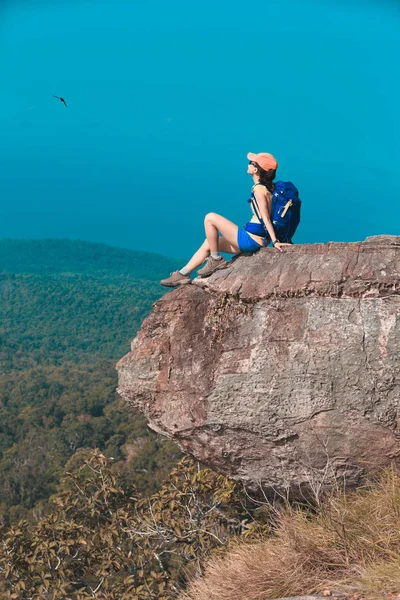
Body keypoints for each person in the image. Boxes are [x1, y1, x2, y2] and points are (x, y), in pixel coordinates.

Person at [160, 152, 291, 287]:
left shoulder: (258, 190)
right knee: (209, 243)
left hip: (250, 240)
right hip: (254, 238)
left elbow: (265, 217)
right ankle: (183, 274)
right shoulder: (268, 188)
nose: (248, 164)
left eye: (251, 163)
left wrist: (275, 241)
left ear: (256, 169)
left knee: (210, 218)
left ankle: (215, 259)